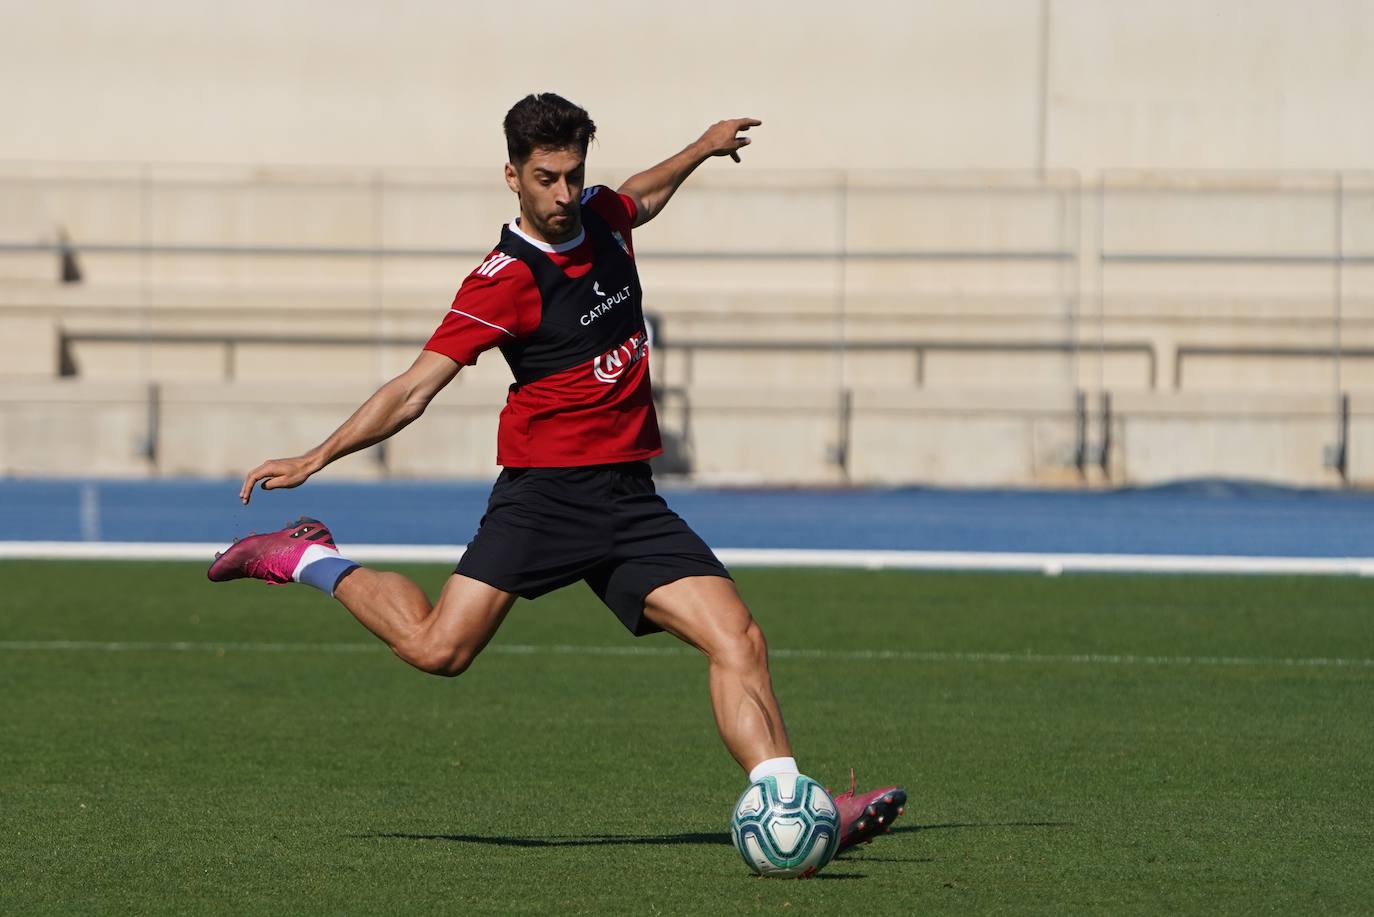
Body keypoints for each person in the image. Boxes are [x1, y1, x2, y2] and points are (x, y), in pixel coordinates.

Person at [209, 93, 904, 852]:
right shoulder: (501, 280)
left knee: (738, 636)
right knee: (439, 649)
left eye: (575, 174)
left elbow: (643, 191)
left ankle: (791, 804)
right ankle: (308, 553)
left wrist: (702, 147)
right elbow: (413, 389)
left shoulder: (602, 218)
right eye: (547, 178)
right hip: (545, 496)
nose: (565, 195)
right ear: (512, 175)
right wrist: (315, 457)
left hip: (629, 498)